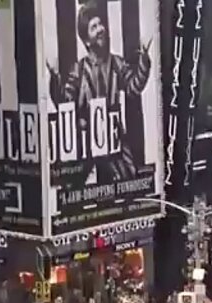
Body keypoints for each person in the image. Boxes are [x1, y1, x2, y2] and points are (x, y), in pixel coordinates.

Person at [46, 0, 152, 183]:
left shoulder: (117, 64)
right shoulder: (78, 71)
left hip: (113, 137)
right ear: (86, 40)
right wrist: (55, 77)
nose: (101, 29)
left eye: (101, 24)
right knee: (71, 187)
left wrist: (144, 57)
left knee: (130, 180)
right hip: (85, 139)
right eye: (94, 27)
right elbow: (64, 103)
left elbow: (134, 88)